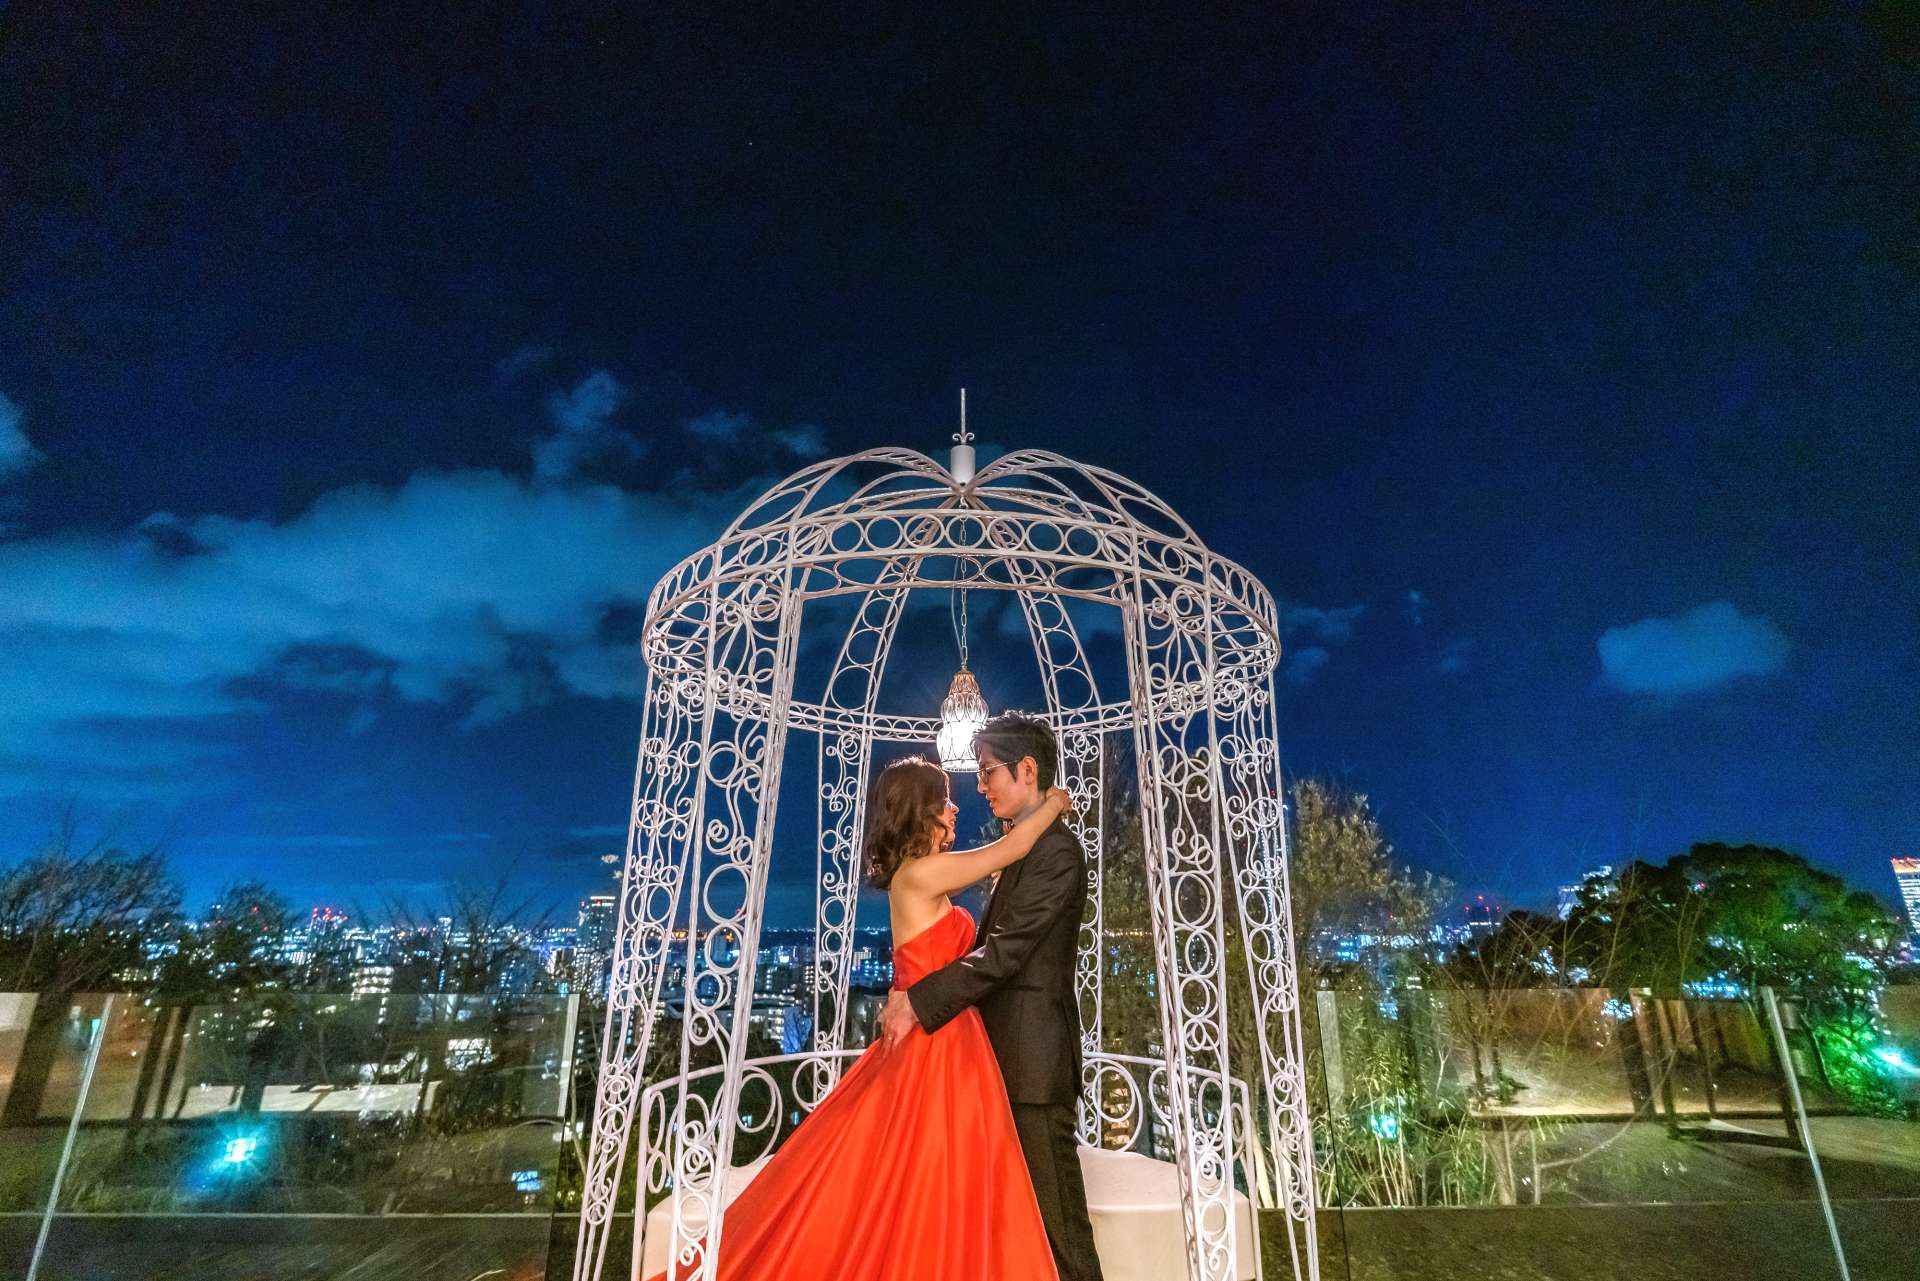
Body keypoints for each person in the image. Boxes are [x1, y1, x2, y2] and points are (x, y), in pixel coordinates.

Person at [643, 752, 1073, 1281]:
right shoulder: (922, 875)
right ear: (923, 812)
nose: (955, 808)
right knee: (935, 1174)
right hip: (938, 1046)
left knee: (920, 1171)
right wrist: (1052, 803)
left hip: (945, 1037)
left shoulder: (918, 875)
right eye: (944, 801)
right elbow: (1012, 849)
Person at [879, 711, 1107, 1281]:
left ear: (1027, 770)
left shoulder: (1055, 852)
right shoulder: (1019, 849)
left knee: (1060, 1232)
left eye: (987, 772)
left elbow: (1004, 954)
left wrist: (918, 999)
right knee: (1008, 1227)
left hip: (1032, 1068)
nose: (979, 787)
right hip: (988, 1066)